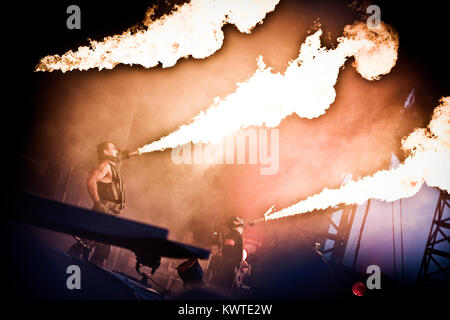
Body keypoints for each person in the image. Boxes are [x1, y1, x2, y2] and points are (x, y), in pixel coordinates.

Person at [68, 141, 131, 266]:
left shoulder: (111, 167)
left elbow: (117, 157)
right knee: (83, 245)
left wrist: (121, 155)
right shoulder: (105, 165)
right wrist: (98, 203)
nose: (117, 150)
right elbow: (91, 181)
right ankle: (68, 269)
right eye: (114, 148)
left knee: (101, 253)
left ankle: (89, 279)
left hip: (109, 217)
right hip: (102, 214)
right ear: (105, 152)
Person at [215, 216, 244, 292]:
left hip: (230, 271)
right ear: (235, 222)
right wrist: (234, 265)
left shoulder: (235, 234)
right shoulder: (234, 233)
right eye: (239, 219)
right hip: (228, 272)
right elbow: (228, 246)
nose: (242, 220)